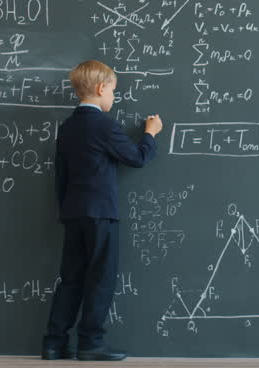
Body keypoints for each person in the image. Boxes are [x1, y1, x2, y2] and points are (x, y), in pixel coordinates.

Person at [42, 60, 162, 361]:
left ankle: (54, 343)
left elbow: (61, 175)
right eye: (113, 92)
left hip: (73, 212)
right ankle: (90, 342)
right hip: (100, 213)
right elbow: (135, 157)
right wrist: (151, 134)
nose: (114, 98)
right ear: (100, 89)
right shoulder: (104, 125)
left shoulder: (68, 127)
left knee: (71, 278)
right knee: (101, 277)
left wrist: (65, 210)